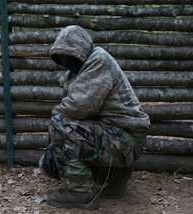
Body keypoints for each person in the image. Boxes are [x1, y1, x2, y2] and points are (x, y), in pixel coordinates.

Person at [40, 25, 150, 209]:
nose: (66, 60)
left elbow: (78, 107)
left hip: (126, 140)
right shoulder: (83, 67)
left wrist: (54, 137)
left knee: (61, 123)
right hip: (120, 138)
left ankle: (80, 193)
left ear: (81, 49)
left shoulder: (98, 60)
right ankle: (113, 182)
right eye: (62, 56)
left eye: (68, 54)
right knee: (64, 133)